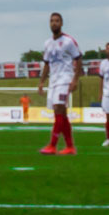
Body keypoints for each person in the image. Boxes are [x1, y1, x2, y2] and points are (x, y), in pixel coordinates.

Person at [36, 13, 81, 154]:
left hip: (65, 79)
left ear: (61, 23)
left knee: (59, 108)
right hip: (53, 81)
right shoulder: (47, 43)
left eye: (57, 21)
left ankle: (52, 145)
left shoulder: (68, 41)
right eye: (52, 21)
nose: (54, 23)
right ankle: (70, 146)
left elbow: (79, 59)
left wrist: (75, 80)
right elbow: (47, 64)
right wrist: (42, 82)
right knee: (60, 114)